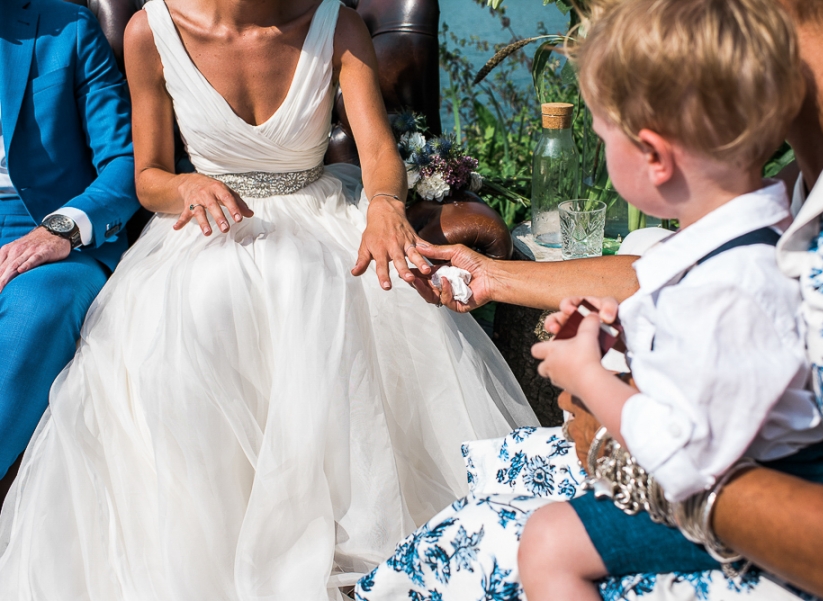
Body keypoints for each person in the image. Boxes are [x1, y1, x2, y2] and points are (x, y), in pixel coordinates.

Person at [359, 0, 823, 600]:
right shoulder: (809, 148)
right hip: (730, 470)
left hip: (778, 514)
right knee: (497, 484)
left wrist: (623, 445)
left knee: (509, 540)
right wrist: (493, 278)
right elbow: (698, 272)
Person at [0, 0, 537, 599]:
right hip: (204, 226)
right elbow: (148, 175)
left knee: (341, 289)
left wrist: (384, 205)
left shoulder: (335, 23)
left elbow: (379, 150)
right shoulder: (150, 30)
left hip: (324, 214)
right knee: (202, 306)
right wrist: (184, 184)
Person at [516, 0, 823, 598]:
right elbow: (707, 369)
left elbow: (686, 459)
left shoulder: (733, 285)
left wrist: (590, 379)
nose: (598, 145)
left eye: (601, 133)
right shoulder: (734, 248)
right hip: (739, 465)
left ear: (655, 157)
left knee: (548, 543)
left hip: (762, 497)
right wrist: (617, 342)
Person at [0, 0, 139, 497]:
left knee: (40, 306)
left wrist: (60, 229)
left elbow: (126, 163)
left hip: (53, 229)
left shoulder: (67, 28)